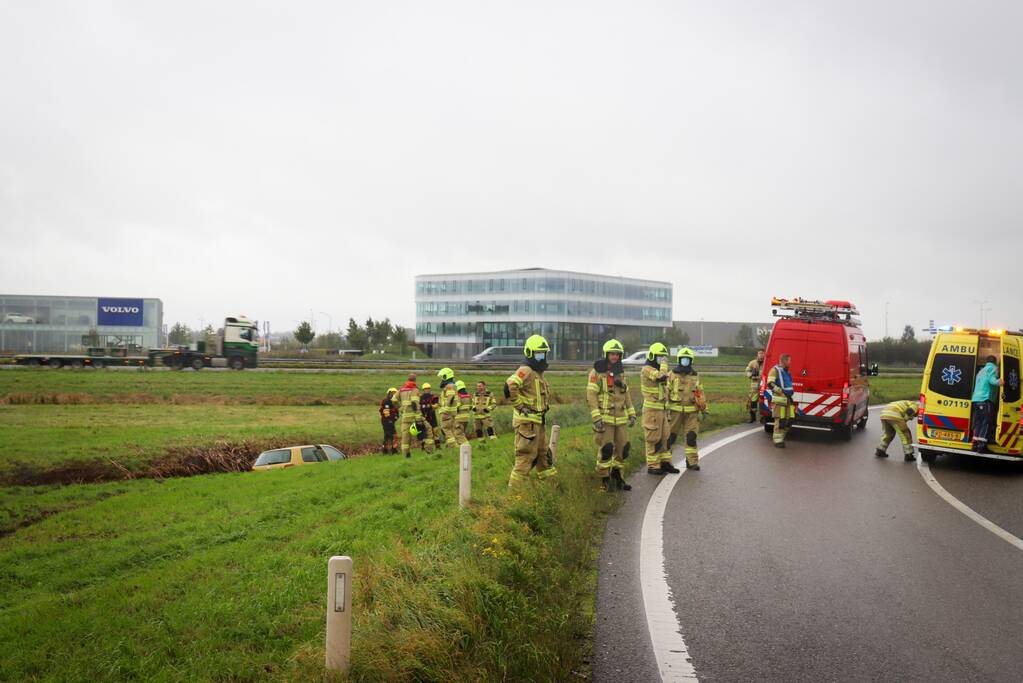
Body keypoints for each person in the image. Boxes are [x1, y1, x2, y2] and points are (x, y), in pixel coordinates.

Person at [587, 339, 637, 492]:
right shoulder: (596, 372)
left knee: (623, 449)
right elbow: (591, 395)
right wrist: (596, 417)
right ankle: (605, 480)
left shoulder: (620, 373)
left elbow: (626, 394)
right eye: (612, 353)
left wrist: (632, 413)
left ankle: (618, 477)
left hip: (621, 419)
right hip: (605, 418)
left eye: (617, 354)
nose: (615, 356)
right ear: (606, 354)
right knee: (607, 449)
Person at [506, 334, 556, 486]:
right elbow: (510, 386)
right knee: (525, 457)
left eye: (543, 353)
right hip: (527, 424)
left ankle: (550, 490)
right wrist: (520, 406)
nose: (541, 357)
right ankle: (514, 497)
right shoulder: (526, 370)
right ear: (529, 353)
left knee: (544, 457)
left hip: (538, 423)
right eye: (538, 353)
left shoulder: (538, 372)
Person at [667, 347, 708, 470]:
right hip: (674, 412)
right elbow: (665, 392)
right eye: (683, 359)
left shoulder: (695, 376)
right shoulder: (671, 374)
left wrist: (705, 409)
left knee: (691, 437)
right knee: (670, 438)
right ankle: (666, 462)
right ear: (679, 360)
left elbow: (700, 393)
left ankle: (692, 462)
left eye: (687, 359)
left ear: (691, 361)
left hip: (692, 412)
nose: (685, 361)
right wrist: (664, 408)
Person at [640, 342, 678, 475]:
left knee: (665, 438)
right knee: (653, 439)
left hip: (662, 411)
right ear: (652, 356)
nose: (661, 359)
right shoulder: (647, 369)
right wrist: (664, 364)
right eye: (659, 357)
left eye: (663, 357)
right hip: (651, 411)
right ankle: (653, 466)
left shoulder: (659, 369)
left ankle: (665, 463)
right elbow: (661, 377)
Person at [395, 373, 431, 457]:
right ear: (415, 380)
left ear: (407, 380)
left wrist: (400, 408)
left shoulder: (401, 390)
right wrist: (419, 419)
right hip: (415, 418)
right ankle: (429, 451)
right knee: (428, 429)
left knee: (405, 438)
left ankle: (406, 456)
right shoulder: (415, 390)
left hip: (405, 419)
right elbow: (415, 404)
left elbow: (393, 400)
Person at [972, 355, 1002, 453]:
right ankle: (982, 446)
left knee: (978, 422)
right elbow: (992, 381)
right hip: (985, 399)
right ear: (995, 362)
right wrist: (1000, 382)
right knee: (986, 422)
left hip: (976, 399)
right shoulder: (993, 368)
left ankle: (975, 444)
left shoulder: (981, 370)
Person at [766, 353, 795, 448]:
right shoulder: (775, 370)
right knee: (780, 420)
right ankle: (778, 441)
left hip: (788, 399)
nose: (790, 363)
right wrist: (780, 392)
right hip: (779, 400)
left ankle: (781, 437)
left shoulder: (787, 372)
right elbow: (770, 384)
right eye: (789, 361)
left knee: (789, 420)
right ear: (784, 361)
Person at [436, 368, 459, 448]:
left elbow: (450, 398)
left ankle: (454, 446)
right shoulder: (452, 385)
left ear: (446, 376)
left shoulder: (449, 386)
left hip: (447, 413)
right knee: (451, 430)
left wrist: (445, 410)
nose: (441, 379)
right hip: (451, 412)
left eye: (442, 377)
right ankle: (450, 446)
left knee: (446, 429)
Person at [745, 349, 766, 423]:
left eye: (762, 353)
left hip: (764, 385)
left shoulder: (767, 362)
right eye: (759, 353)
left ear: (764, 354)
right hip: (754, 386)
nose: (761, 355)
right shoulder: (752, 363)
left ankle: (763, 417)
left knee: (763, 401)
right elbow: (747, 370)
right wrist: (751, 376)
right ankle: (752, 417)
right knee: (752, 401)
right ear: (757, 354)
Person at [419, 382, 440, 449]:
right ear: (423, 390)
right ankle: (424, 447)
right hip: (424, 417)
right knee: (424, 432)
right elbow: (418, 406)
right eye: (426, 389)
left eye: (428, 389)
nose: (427, 390)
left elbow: (436, 405)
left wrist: (430, 406)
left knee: (435, 431)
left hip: (432, 416)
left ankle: (437, 446)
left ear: (430, 389)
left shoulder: (434, 397)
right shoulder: (420, 398)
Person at [379, 387, 399, 454]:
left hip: (389, 421)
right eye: (393, 393)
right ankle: (393, 450)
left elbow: (396, 411)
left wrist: (396, 417)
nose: (394, 395)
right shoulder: (387, 401)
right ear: (389, 393)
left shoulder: (393, 401)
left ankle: (385, 450)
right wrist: (390, 420)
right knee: (393, 435)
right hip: (387, 421)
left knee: (387, 435)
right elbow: (386, 412)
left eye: (395, 393)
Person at [453, 379, 472, 446]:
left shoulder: (459, 396)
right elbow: (471, 407)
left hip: (459, 418)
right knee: (462, 433)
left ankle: (467, 446)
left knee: (458, 434)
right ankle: (460, 448)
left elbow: (457, 407)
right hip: (466, 418)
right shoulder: (468, 396)